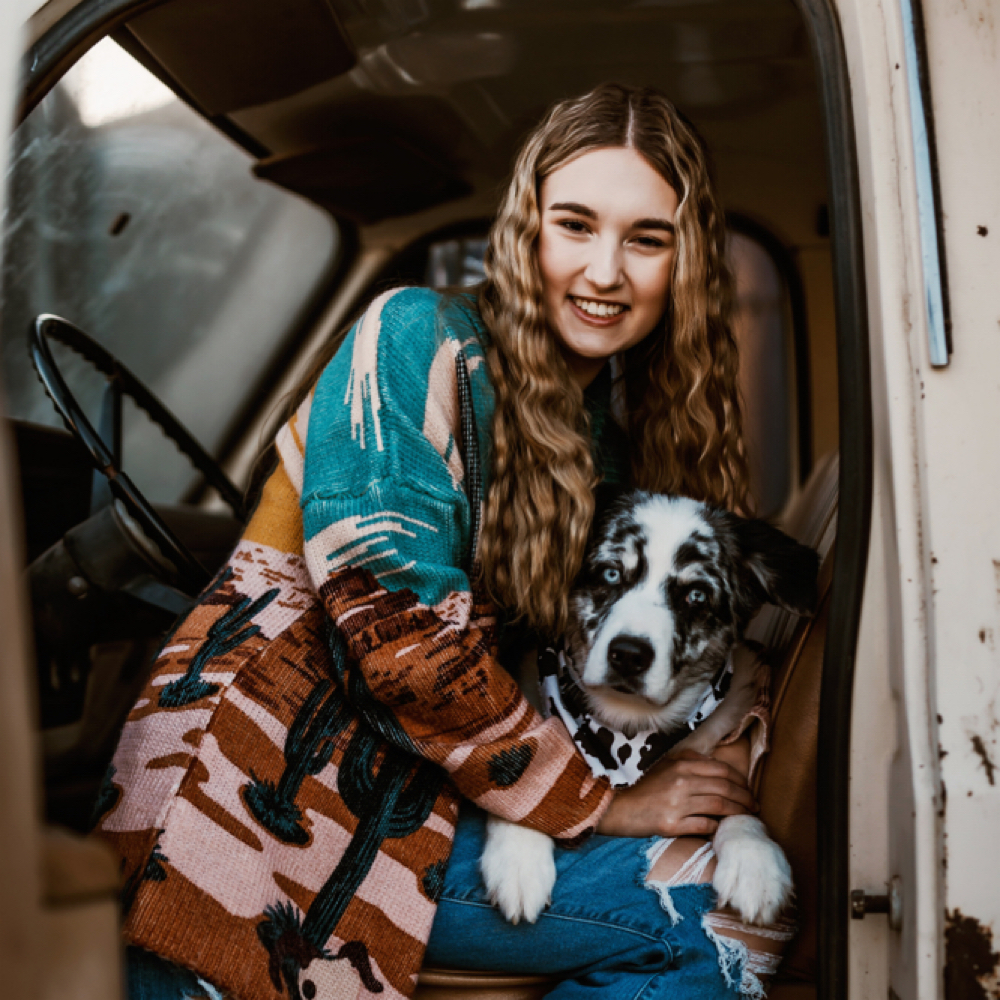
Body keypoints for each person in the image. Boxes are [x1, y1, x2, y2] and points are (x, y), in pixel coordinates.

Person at [95, 83, 792, 1000]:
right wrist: (602, 807)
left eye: (647, 239)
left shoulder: (608, 441)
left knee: (739, 906)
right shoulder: (416, 338)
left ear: (685, 261)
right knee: (713, 921)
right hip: (254, 801)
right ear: (526, 230)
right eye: (575, 225)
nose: (605, 272)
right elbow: (401, 636)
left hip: (421, 802)